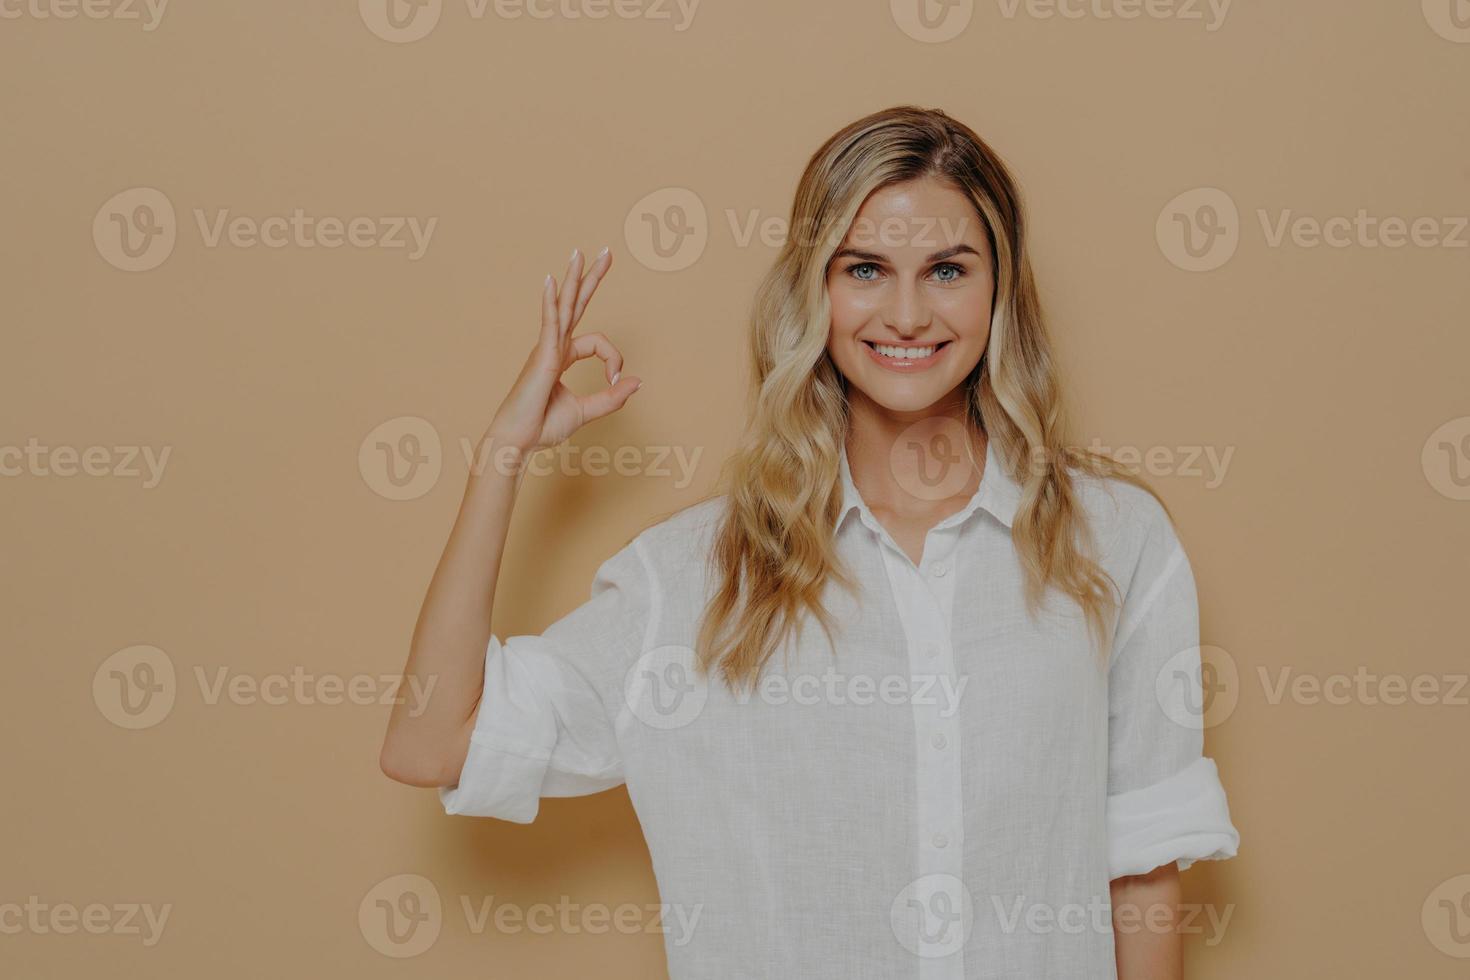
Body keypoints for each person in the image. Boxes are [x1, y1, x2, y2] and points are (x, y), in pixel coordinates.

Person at [379, 105, 1240, 979]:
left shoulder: (1116, 544)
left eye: (947, 269)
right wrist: (501, 456)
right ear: (813, 291)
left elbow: (1143, 868)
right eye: (864, 268)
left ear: (1000, 292)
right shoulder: (692, 579)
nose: (907, 314)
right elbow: (430, 742)